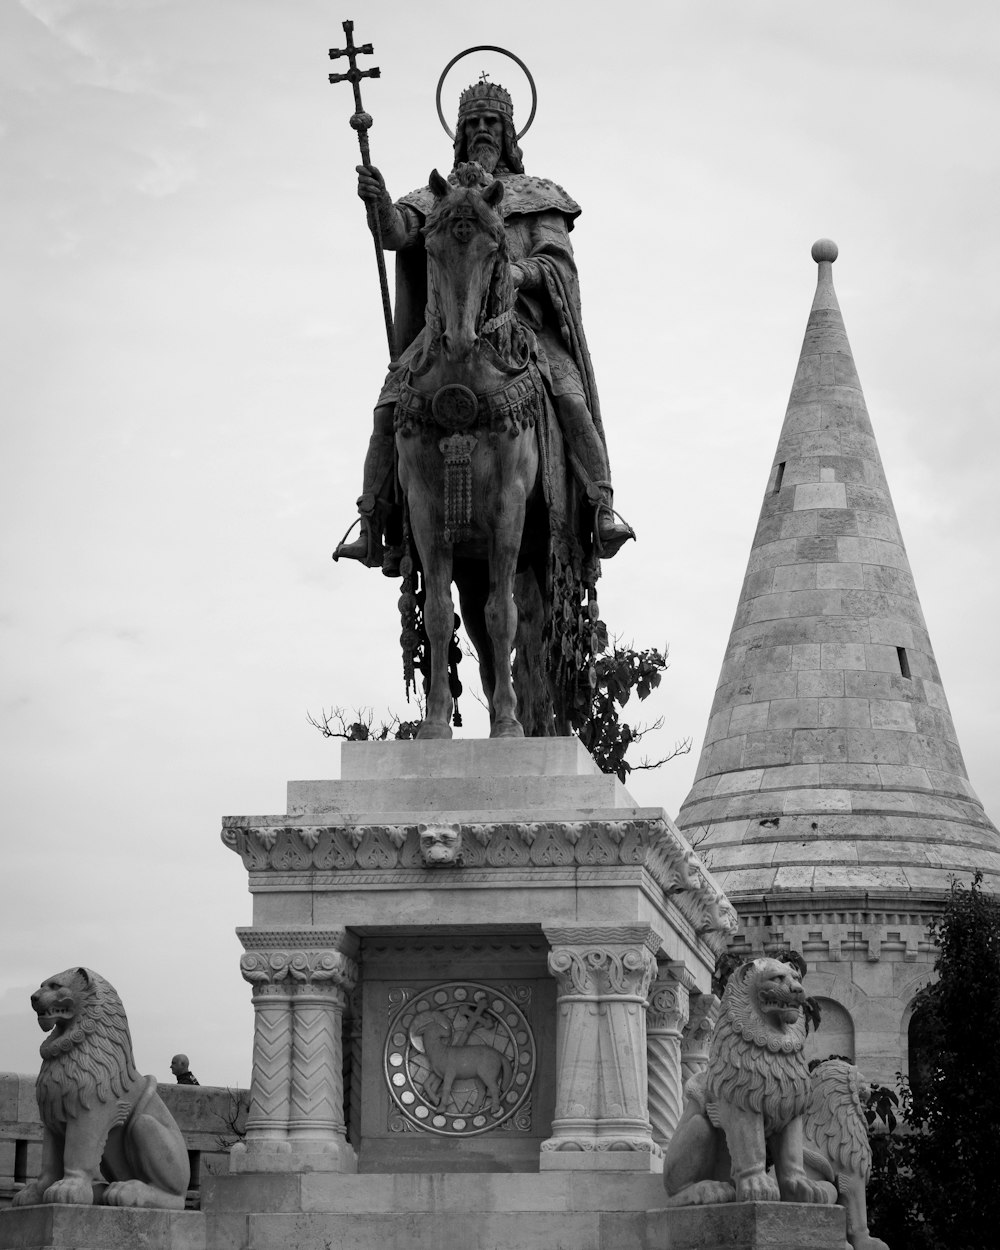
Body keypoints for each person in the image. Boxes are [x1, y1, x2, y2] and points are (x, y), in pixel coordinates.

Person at [333, 77, 634, 574]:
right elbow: (398, 232)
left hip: (525, 332)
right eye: (472, 123)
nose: (481, 131)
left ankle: (599, 506)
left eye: (491, 122)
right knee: (388, 405)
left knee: (570, 399)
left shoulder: (537, 196)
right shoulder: (436, 198)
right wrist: (378, 204)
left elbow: (558, 264)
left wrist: (519, 272)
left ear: (510, 131)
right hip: (444, 329)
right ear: (458, 133)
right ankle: (373, 520)